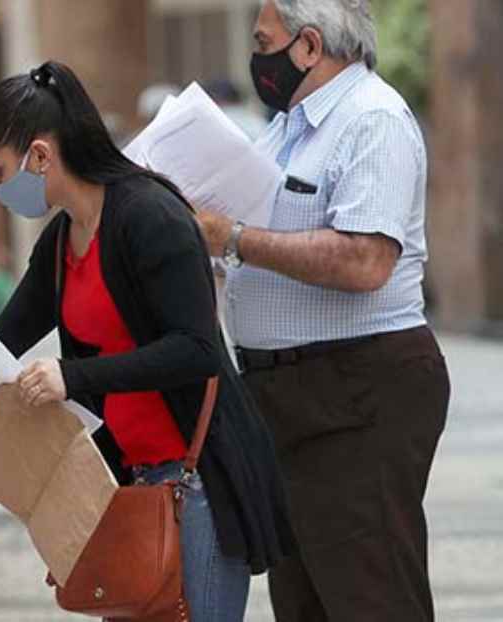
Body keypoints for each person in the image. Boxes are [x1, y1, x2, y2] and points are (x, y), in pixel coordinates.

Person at [0, 60, 294, 621]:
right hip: (127, 483)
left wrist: (72, 377)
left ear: (41, 156)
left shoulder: (151, 217)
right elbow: (2, 338)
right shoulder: (64, 238)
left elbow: (197, 350)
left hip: (195, 483)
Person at [196, 2, 450, 620]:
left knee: (370, 596)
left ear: (309, 46)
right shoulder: (287, 129)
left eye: (264, 42)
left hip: (356, 391)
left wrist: (233, 238)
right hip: (284, 397)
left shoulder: (373, 119)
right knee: (304, 601)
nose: (257, 58)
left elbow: (365, 260)